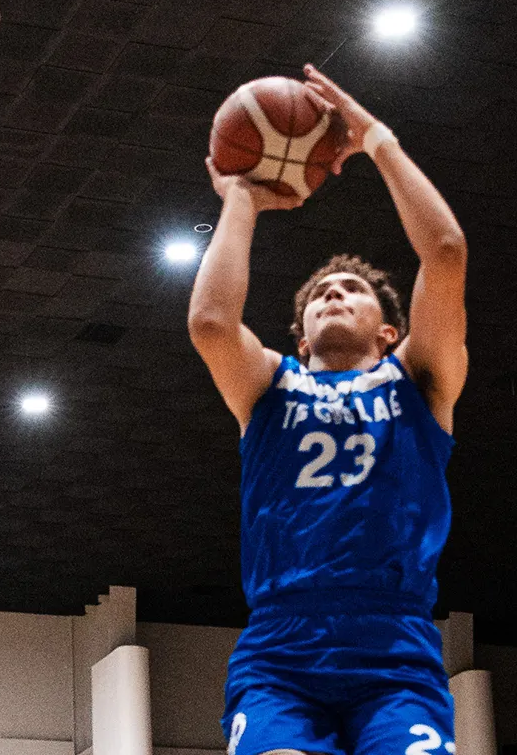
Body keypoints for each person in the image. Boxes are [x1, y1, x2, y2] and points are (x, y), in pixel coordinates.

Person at [189, 63, 469, 755]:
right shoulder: (269, 389)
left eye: (351, 290)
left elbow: (446, 251)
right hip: (283, 644)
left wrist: (378, 140)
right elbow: (211, 324)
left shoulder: (421, 382)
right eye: (319, 295)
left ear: (389, 332)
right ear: (300, 334)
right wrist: (241, 202)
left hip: (394, 642)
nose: (333, 295)